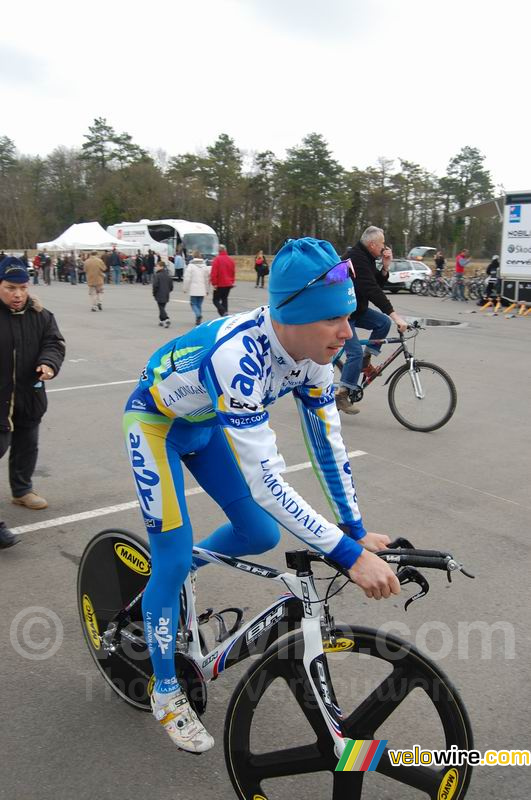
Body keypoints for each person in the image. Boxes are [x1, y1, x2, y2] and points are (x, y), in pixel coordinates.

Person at [123, 236, 400, 753]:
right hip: (155, 426)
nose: (348, 332)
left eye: (349, 318)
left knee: (258, 533)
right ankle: (164, 691)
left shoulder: (317, 355)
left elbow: (328, 449)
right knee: (171, 557)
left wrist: (355, 529)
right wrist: (346, 556)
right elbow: (267, 482)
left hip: (202, 426)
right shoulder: (239, 356)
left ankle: (180, 574)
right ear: (293, 317)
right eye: (334, 320)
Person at [0, 257, 65, 548]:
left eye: (22, 288)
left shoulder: (41, 315)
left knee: (27, 447)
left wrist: (48, 364)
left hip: (29, 397)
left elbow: (54, 343)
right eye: (10, 287)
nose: (17, 294)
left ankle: (22, 490)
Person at [335, 227, 408, 415]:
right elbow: (372, 290)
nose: (384, 247)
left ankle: (365, 362)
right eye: (382, 244)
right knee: (354, 353)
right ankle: (342, 394)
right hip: (341, 313)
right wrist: (395, 314)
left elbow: (376, 283)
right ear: (372, 244)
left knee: (383, 323)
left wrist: (385, 266)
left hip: (356, 310)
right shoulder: (355, 258)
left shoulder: (366, 257)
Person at [183, 249, 210, 325]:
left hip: (193, 289)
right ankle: (198, 319)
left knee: (193, 303)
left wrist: (185, 288)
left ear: (193, 256)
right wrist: (207, 289)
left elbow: (187, 278)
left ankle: (198, 315)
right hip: (202, 289)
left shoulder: (190, 266)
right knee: (199, 304)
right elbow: (207, 278)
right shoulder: (204, 266)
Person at [210, 244, 235, 316]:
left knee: (215, 300)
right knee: (224, 299)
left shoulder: (217, 259)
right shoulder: (230, 259)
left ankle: (223, 312)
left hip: (219, 284)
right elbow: (233, 272)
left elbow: (214, 272)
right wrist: (232, 281)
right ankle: (225, 314)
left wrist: (214, 283)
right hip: (228, 283)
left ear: (218, 251)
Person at [152, 260, 173, 328]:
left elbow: (155, 285)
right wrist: (168, 291)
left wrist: (154, 293)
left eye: (157, 266)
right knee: (162, 307)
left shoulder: (157, 275)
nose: (156, 267)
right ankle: (161, 320)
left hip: (159, 293)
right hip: (166, 293)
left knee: (161, 307)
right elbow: (171, 286)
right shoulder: (167, 275)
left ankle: (166, 319)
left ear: (161, 267)